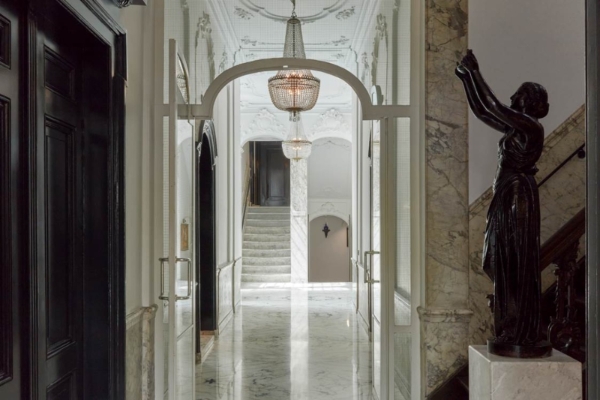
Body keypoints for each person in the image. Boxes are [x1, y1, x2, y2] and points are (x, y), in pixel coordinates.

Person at [456, 50, 552, 357]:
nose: (514, 96)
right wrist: (465, 78)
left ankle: (520, 327)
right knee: (503, 258)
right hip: (506, 195)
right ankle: (512, 323)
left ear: (533, 102)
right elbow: (485, 112)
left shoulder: (530, 127)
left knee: (515, 258)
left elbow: (495, 106)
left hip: (518, 197)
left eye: (521, 93)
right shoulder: (516, 127)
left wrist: (476, 71)